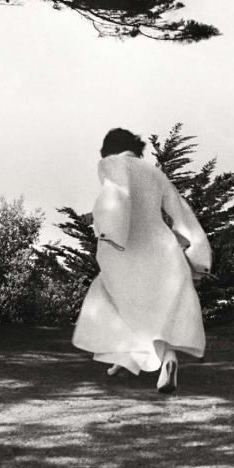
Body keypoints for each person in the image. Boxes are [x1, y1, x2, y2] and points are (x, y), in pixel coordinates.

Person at [72, 128, 212, 394]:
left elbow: (116, 199)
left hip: (129, 249)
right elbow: (180, 210)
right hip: (163, 249)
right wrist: (198, 254)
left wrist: (105, 227)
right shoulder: (155, 173)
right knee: (158, 308)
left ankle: (127, 355)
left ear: (109, 149)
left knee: (110, 299)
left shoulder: (112, 163)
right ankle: (165, 358)